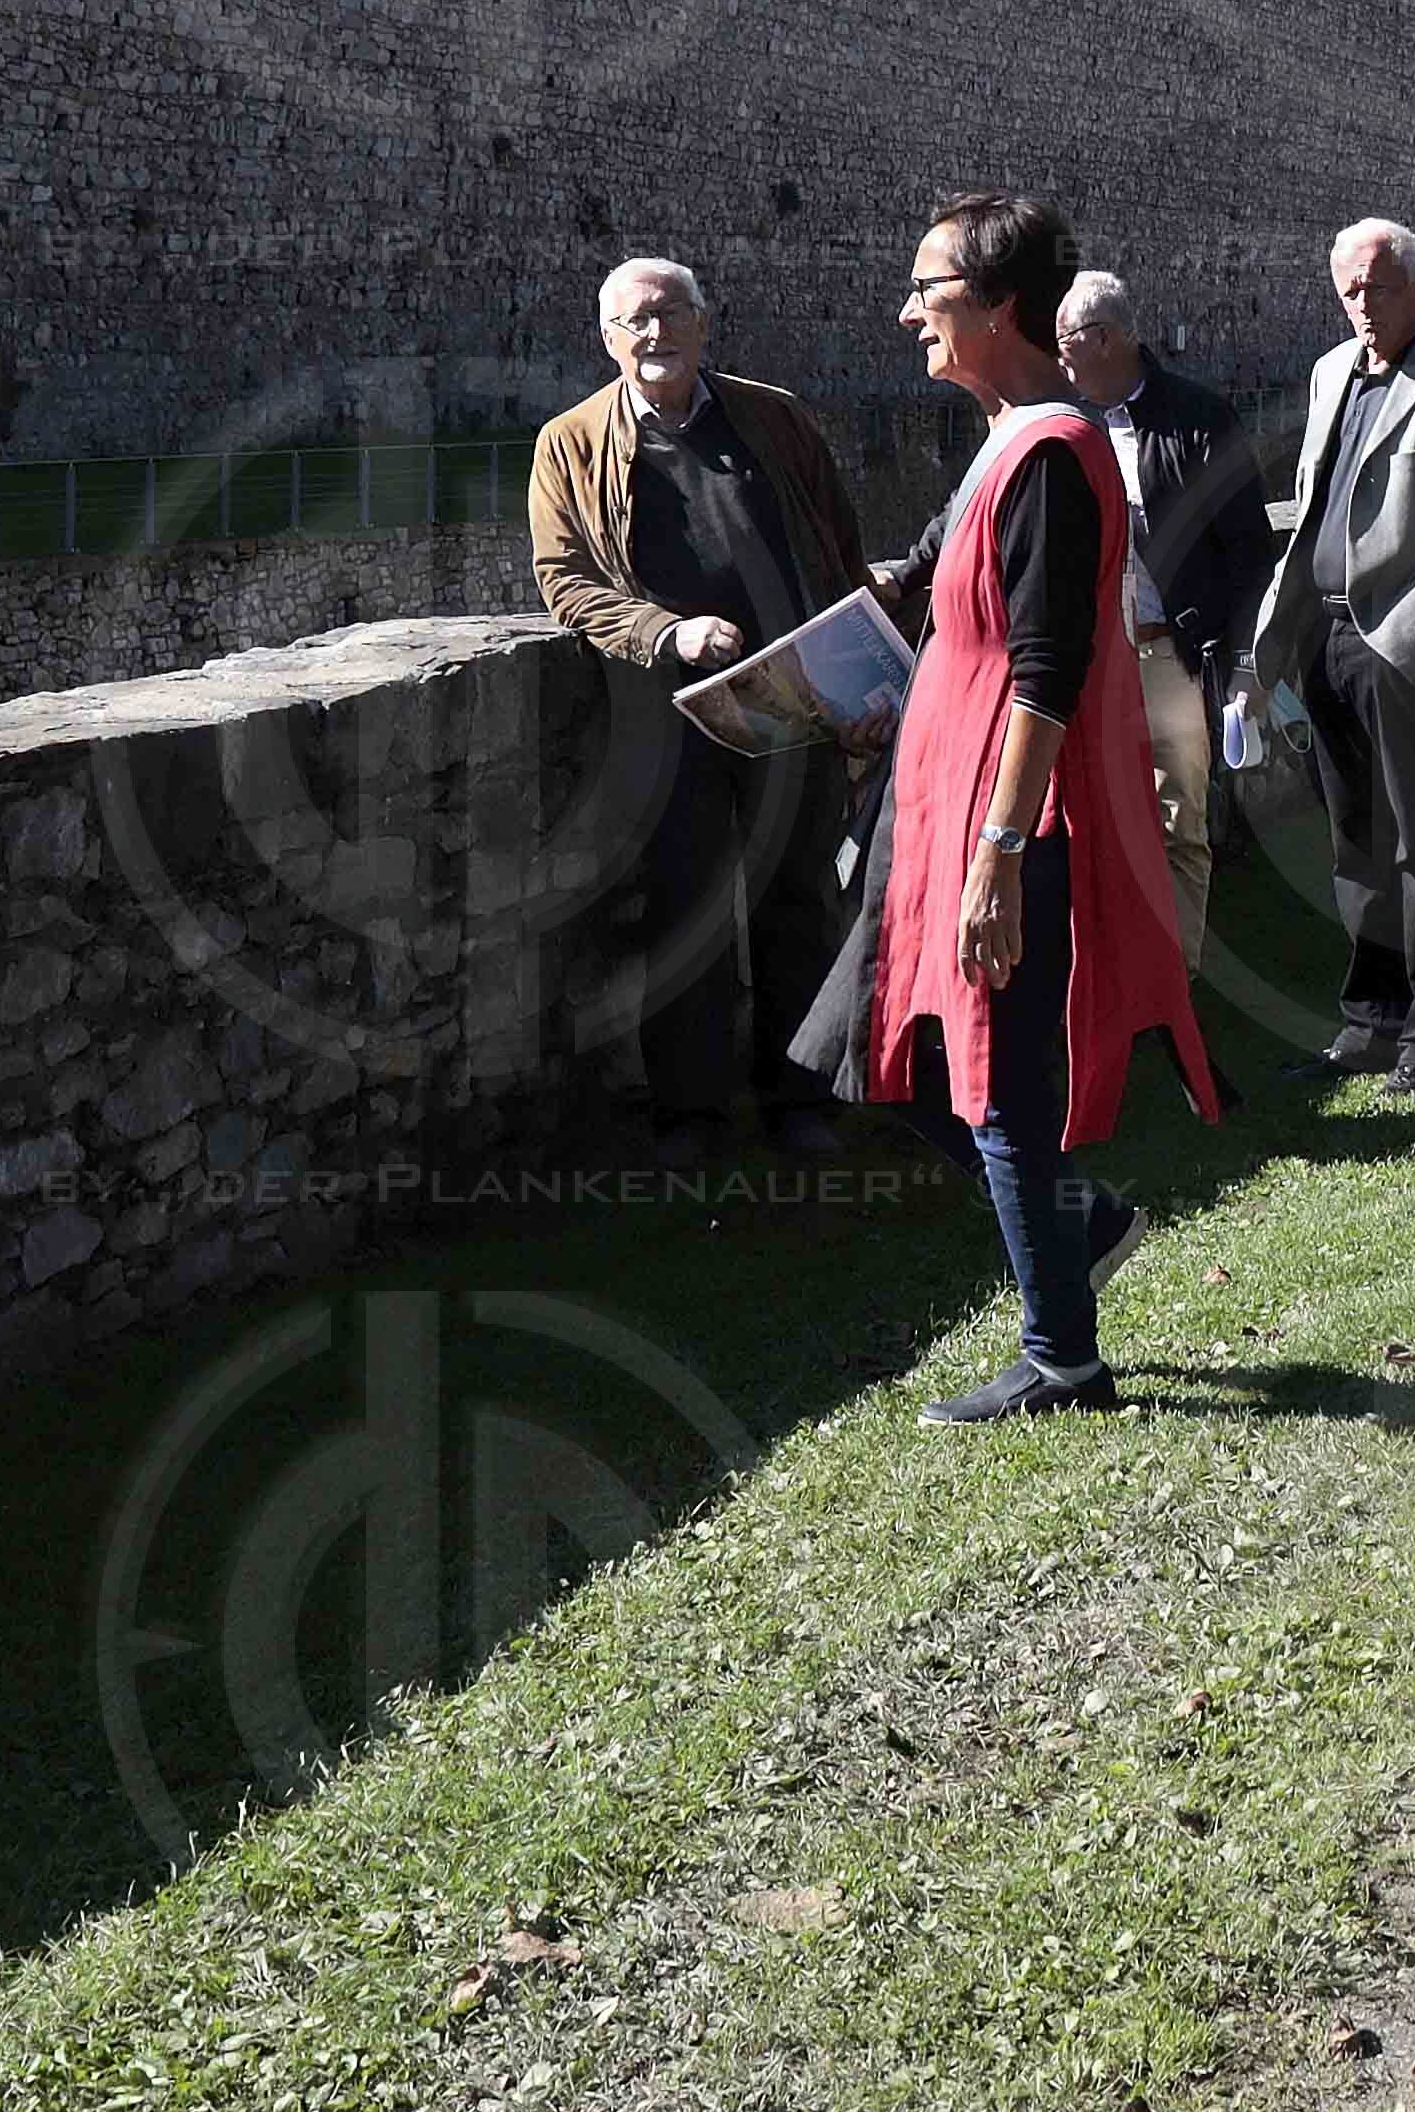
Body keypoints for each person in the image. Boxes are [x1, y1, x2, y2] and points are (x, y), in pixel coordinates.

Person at [858, 193, 1231, 1423]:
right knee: (897, 1064)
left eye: (932, 289)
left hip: (1011, 829)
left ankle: (1063, 1355)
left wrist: (1001, 855)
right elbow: (931, 586)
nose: (911, 310)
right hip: (947, 814)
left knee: (1000, 1086)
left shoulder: (1055, 457)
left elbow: (1046, 671)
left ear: (998, 305)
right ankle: (1091, 1222)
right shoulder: (1007, 440)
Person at [524, 255, 869, 1148]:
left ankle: (802, 1102)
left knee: (799, 899)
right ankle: (692, 1115)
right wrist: (664, 634)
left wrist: (860, 671)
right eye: (635, 320)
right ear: (606, 339)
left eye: (672, 312)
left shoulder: (774, 418)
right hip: (666, 713)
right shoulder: (569, 443)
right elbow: (563, 579)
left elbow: (837, 543)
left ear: (704, 323)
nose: (655, 332)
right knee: (684, 908)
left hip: (793, 697)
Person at [1246, 215, 1415, 1093]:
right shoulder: (1332, 373)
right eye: (1350, 290)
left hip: (1406, 646)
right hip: (1323, 640)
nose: (1362, 304)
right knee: (1354, 840)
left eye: (1379, 286)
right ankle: (1369, 1019)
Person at [1058, 268, 1265, 966]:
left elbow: (1248, 550)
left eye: (1067, 344)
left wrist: (1240, 661)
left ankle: (1174, 980)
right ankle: (1107, 977)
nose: (1058, 360)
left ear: (1108, 339)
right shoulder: (1060, 426)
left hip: (1167, 656)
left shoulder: (1198, 418)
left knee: (1179, 820)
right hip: (1085, 658)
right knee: (1090, 824)